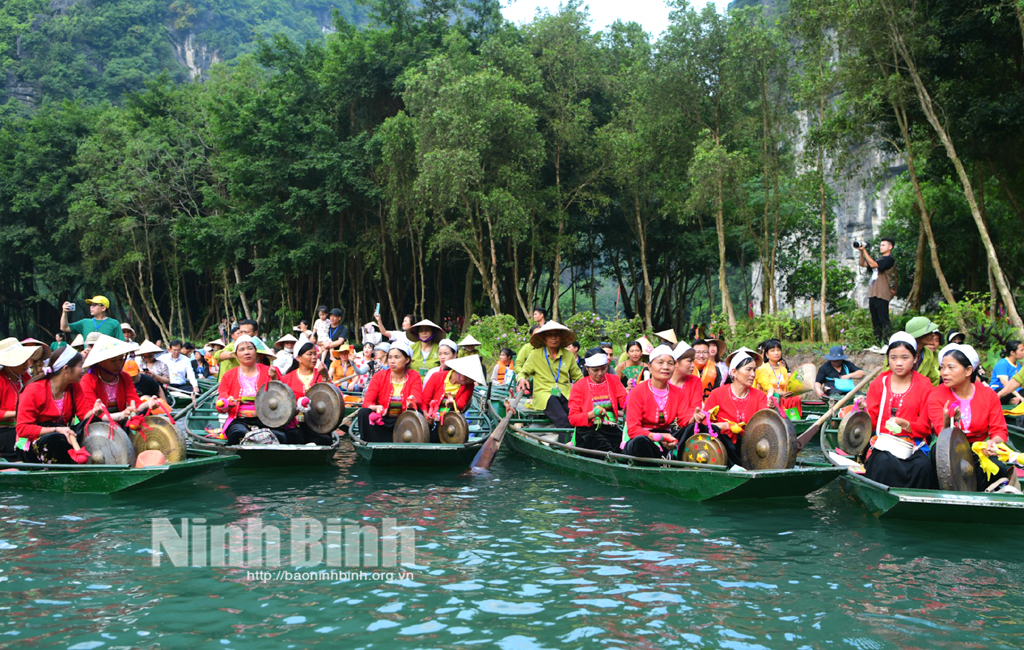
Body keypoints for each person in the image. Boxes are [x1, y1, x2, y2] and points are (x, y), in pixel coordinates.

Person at [928, 343, 1015, 492]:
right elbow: (941, 434)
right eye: (942, 367)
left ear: (968, 370)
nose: (944, 373)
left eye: (951, 367)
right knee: (939, 455)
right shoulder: (936, 395)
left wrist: (993, 443)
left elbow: (999, 430)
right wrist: (949, 421)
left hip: (980, 448)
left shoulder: (988, 395)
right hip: (948, 448)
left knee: (997, 467)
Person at [861, 332, 936, 489]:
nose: (898, 363)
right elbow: (873, 425)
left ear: (915, 358)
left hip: (912, 444)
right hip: (883, 444)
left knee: (923, 467)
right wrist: (864, 411)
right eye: (893, 357)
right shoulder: (878, 383)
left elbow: (925, 428)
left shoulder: (925, 385)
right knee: (883, 462)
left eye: (904, 357)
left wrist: (905, 425)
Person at [16, 346, 101, 464]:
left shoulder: (74, 386)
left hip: (62, 433)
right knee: (55, 440)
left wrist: (95, 411)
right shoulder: (33, 390)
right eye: (80, 366)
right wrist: (56, 429)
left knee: (94, 421)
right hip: (35, 441)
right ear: (66, 369)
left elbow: (84, 416)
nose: (83, 371)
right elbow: (23, 429)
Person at [622, 345, 700, 459]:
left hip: (667, 438)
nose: (666, 367)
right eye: (660, 362)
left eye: (670, 363)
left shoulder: (678, 392)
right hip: (644, 437)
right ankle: (666, 460)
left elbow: (685, 421)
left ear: (674, 367)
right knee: (639, 442)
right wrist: (659, 437)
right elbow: (633, 429)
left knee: (694, 428)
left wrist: (695, 418)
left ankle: (669, 458)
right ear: (649, 366)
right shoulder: (637, 391)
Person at [701, 348, 770, 467]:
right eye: (748, 369)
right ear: (734, 372)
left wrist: (771, 410)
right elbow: (704, 424)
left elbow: (764, 425)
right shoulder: (717, 394)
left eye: (754, 370)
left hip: (751, 449)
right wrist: (724, 426)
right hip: (722, 451)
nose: (753, 374)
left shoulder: (760, 396)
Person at [215, 335, 283, 445]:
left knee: (280, 436)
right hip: (239, 419)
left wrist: (274, 378)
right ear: (236, 355)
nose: (247, 352)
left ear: (256, 352)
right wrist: (227, 403)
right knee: (238, 434)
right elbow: (220, 405)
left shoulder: (270, 371)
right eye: (242, 349)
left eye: (250, 348)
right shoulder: (228, 376)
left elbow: (283, 396)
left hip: (267, 419)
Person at [516, 321, 584, 428]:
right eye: (550, 335)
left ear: (561, 337)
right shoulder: (535, 354)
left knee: (577, 416)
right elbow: (523, 372)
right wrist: (521, 379)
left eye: (557, 335)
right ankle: (566, 444)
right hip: (544, 393)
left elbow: (579, 378)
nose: (554, 338)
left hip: (564, 393)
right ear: (544, 338)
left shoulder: (568, 355)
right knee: (562, 419)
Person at [357, 340, 424, 442]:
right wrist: (376, 407)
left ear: (407, 360)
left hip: (403, 423)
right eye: (390, 357)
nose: (392, 361)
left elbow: (417, 398)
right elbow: (367, 402)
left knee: (417, 411)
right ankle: (369, 443)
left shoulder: (414, 376)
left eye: (397, 357)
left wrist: (412, 400)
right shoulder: (379, 376)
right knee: (363, 412)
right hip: (382, 421)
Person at [80, 335, 156, 423]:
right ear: (100, 362)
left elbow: (134, 403)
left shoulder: (125, 377)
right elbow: (93, 413)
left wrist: (148, 404)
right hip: (97, 426)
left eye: (121, 359)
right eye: (113, 361)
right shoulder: (87, 381)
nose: (119, 364)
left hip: (121, 421)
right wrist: (121, 415)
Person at [567, 348, 629, 450]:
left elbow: (625, 402)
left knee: (623, 451)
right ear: (587, 368)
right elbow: (573, 419)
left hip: (611, 429)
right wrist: (592, 414)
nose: (600, 373)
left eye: (603, 368)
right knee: (605, 449)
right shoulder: (579, 386)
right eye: (595, 370)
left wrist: (633, 397)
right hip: (587, 431)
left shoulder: (613, 380)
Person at [280, 334, 332, 445]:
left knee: (323, 439)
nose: (314, 357)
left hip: (319, 424)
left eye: (315, 353)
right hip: (294, 425)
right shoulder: (287, 378)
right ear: (298, 358)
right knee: (292, 436)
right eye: (309, 354)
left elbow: (334, 398)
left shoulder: (322, 374)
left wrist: (324, 377)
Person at [0, 341, 44, 460]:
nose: (26, 364)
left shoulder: (25, 377)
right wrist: (19, 412)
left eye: (26, 360)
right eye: (21, 361)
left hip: (24, 426)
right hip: (4, 431)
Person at [422, 355, 481, 442]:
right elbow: (425, 400)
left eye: (471, 379)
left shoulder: (469, 385)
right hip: (431, 418)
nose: (468, 380)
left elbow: (461, 405)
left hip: (451, 421)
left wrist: (453, 404)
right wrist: (425, 414)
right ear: (458, 371)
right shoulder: (436, 377)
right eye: (467, 376)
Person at [857, 237, 896, 345]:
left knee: (884, 320)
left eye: (883, 245)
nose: (881, 247)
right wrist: (861, 252)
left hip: (882, 294)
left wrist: (865, 250)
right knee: (875, 321)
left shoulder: (889, 260)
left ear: (890, 247)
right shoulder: (879, 259)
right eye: (880, 245)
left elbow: (874, 265)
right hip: (873, 293)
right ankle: (877, 343)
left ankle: (887, 343)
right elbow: (863, 264)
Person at [754, 339, 803, 417]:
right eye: (772, 350)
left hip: (782, 397)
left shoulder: (783, 369)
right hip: (769, 398)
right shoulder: (763, 369)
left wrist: (790, 392)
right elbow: (766, 387)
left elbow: (786, 386)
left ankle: (795, 419)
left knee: (796, 399)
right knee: (776, 397)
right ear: (766, 354)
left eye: (778, 350)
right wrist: (779, 393)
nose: (776, 353)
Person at [60, 295, 125, 342]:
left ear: (103, 308)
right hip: (89, 359)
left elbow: (122, 343)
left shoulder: (114, 323)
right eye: (90, 305)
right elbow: (64, 327)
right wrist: (64, 312)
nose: (91, 307)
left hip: (107, 360)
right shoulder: (85, 322)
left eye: (94, 305)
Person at [902, 316, 940, 386]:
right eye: (929, 332)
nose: (933, 335)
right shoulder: (899, 352)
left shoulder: (928, 353)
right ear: (919, 335)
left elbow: (934, 378)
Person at [991, 340, 1024, 405]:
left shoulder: (1018, 365)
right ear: (1012, 352)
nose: (1023, 352)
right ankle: (1013, 400)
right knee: (1005, 394)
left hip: (1014, 391)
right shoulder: (1002, 363)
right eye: (1021, 350)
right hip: (1000, 390)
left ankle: (1014, 400)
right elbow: (1005, 383)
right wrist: (1020, 397)